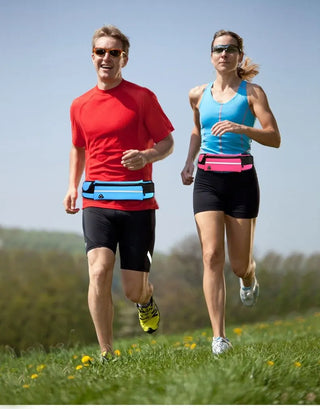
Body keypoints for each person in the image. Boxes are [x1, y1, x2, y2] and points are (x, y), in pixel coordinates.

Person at [63, 25, 174, 361]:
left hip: (137, 203)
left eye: (114, 53)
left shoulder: (142, 97)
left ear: (124, 57)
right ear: (92, 56)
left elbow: (167, 142)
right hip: (96, 200)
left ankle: (146, 299)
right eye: (100, 52)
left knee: (132, 290)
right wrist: (72, 185)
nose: (106, 58)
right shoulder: (79, 104)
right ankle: (106, 353)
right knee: (98, 270)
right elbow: (78, 147)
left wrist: (147, 155)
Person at [181, 30, 280, 355]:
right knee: (211, 256)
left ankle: (249, 278)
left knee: (238, 264)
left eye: (230, 49)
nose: (223, 54)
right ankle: (219, 337)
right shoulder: (197, 94)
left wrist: (243, 128)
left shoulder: (252, 93)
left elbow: (274, 137)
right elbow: (197, 129)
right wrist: (188, 162)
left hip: (241, 179)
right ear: (211, 56)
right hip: (208, 179)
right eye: (218, 49)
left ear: (239, 55)